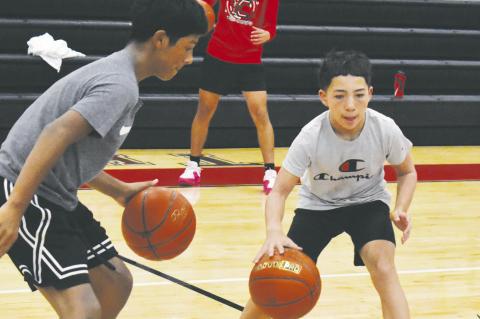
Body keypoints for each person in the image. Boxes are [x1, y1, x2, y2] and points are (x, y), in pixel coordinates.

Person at [0, 0, 209, 318]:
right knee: (81, 309)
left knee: (115, 281)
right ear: (161, 39)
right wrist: (14, 208)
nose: (190, 59)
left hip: (54, 193)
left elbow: (68, 151)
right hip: (25, 190)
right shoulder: (119, 86)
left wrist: (118, 190)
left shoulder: (120, 76)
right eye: (189, 47)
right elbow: (53, 135)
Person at [240, 50, 417, 319]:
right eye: (339, 96)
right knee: (277, 274)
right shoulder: (311, 136)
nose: (350, 105)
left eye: (359, 95)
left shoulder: (385, 128)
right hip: (318, 207)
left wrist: (400, 207)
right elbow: (279, 191)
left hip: (367, 203)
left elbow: (407, 172)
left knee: (383, 267)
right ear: (323, 97)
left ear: (370, 93)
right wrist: (274, 231)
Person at [178, 0, 280, 194]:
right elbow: (203, 4)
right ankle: (193, 166)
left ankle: (270, 171)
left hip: (250, 58)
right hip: (218, 54)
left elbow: (271, 28)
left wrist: (268, 35)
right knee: (204, 111)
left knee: (261, 114)